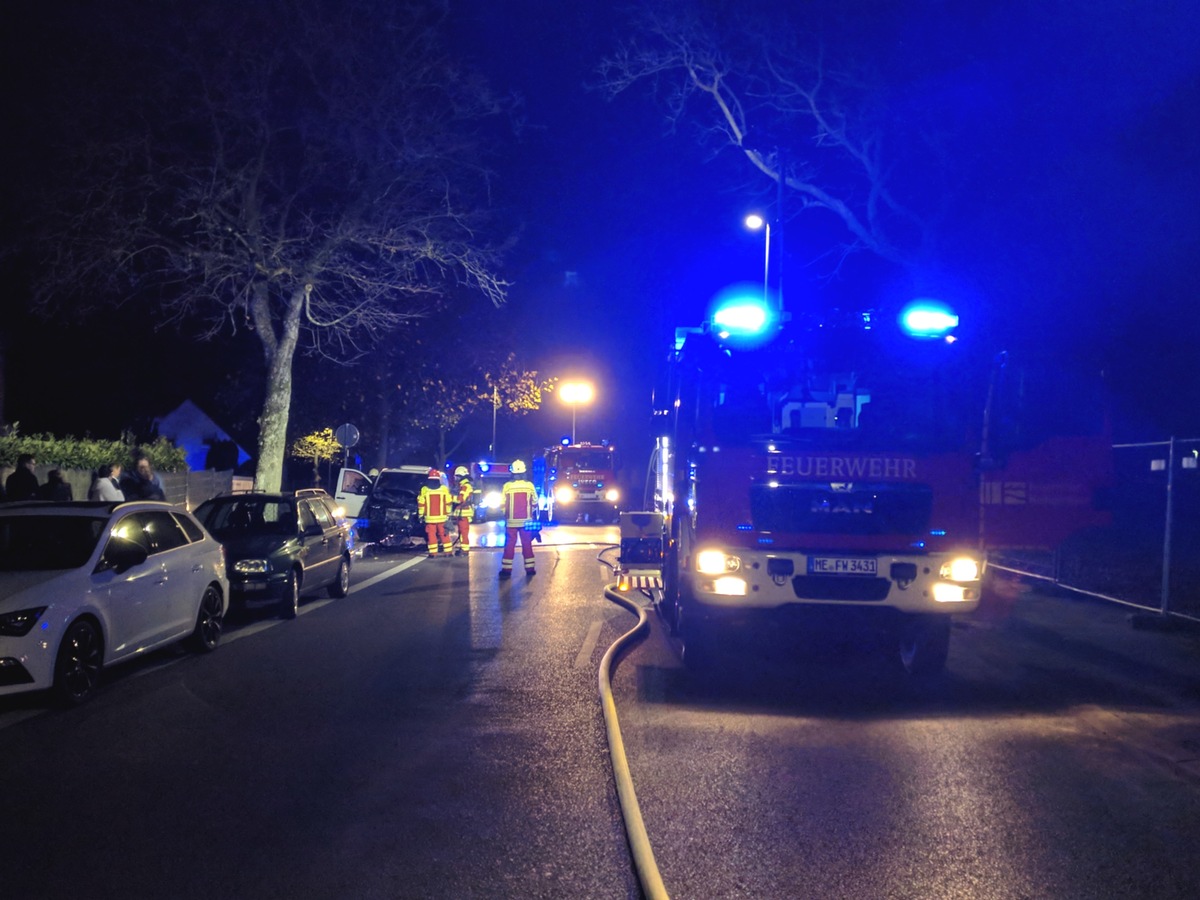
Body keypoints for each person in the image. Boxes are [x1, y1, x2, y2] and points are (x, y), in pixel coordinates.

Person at [500, 459, 538, 578]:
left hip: (511, 522)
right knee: (527, 544)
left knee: (509, 545)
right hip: (526, 522)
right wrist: (529, 514)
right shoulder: (529, 486)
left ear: (512, 473)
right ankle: (530, 569)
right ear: (524, 472)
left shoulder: (507, 486)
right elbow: (535, 502)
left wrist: (505, 515)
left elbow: (502, 504)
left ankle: (506, 571)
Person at [416, 469, 453, 557]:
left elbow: (421, 504)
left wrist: (421, 515)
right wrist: (448, 514)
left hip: (429, 518)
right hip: (442, 517)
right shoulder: (444, 489)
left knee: (431, 535)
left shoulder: (424, 489)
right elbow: (448, 502)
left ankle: (433, 553)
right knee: (444, 534)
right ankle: (448, 552)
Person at [451, 465, 474, 556]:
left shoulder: (465, 486)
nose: (455, 478)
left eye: (456, 476)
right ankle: (463, 548)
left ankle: (464, 550)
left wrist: (449, 498)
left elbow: (460, 499)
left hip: (464, 512)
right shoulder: (462, 486)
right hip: (461, 512)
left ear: (460, 476)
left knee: (464, 532)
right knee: (461, 532)